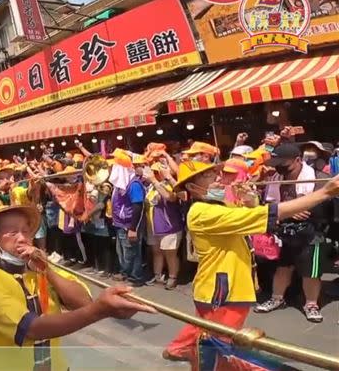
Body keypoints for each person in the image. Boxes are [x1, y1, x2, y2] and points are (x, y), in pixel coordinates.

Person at [163, 161, 339, 362]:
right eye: (208, 176)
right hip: (223, 292)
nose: (218, 178)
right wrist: (324, 193)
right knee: (217, 348)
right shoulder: (203, 212)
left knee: (207, 333)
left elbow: (250, 214)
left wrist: (250, 199)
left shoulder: (216, 206)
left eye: (215, 173)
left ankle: (180, 349)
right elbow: (266, 215)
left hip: (221, 287)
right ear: (193, 188)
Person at [0, 204, 154, 371]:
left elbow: (83, 302)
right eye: (12, 233)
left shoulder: (39, 267)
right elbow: (33, 330)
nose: (22, 238)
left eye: (26, 231)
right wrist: (101, 310)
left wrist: (48, 272)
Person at [253, 143, 334, 323]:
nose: (280, 167)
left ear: (298, 160)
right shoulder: (276, 177)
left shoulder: (319, 179)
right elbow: (269, 204)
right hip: (285, 231)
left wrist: (305, 209)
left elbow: (328, 209)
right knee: (283, 268)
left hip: (312, 233)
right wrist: (288, 212)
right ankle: (276, 298)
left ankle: (311, 304)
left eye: (284, 163)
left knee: (310, 272)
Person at [142, 162, 184, 290]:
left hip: (169, 226)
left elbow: (169, 197)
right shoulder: (150, 187)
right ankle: (158, 275)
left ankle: (172, 277)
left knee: (170, 253)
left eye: (156, 172)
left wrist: (154, 181)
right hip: (154, 226)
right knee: (156, 252)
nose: (153, 174)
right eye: (153, 172)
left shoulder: (171, 185)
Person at [110, 153, 147, 286]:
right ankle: (126, 272)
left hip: (130, 224)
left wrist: (133, 228)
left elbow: (138, 205)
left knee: (133, 251)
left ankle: (136, 276)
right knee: (125, 251)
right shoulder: (121, 183)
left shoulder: (133, 184)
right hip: (121, 223)